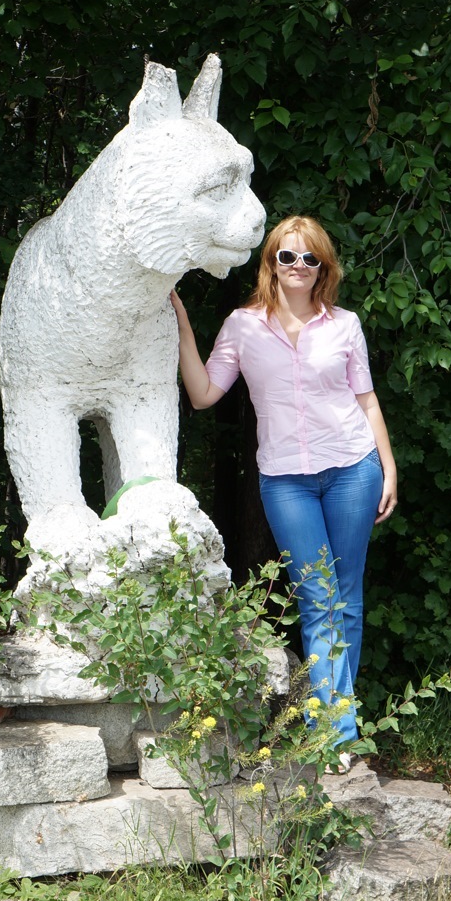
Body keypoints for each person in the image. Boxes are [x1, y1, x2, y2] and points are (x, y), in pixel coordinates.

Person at [172, 215, 397, 763]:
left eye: (309, 259)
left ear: (324, 268)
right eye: (287, 257)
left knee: (346, 599)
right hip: (285, 481)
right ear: (270, 262)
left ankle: (337, 733)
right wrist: (180, 329)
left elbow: (365, 400)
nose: (298, 267)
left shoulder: (345, 325)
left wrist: (388, 469)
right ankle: (339, 734)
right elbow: (203, 393)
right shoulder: (243, 326)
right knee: (318, 601)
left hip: (352, 469)